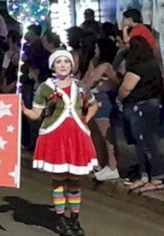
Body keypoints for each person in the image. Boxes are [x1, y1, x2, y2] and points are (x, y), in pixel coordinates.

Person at [22, 50, 98, 236]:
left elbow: (94, 104)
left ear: (72, 65)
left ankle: (74, 219)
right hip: (55, 136)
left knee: (74, 180)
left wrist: (84, 120)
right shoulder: (45, 88)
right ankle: (61, 219)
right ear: (52, 66)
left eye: (66, 61)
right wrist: (22, 108)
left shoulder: (81, 87)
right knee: (58, 180)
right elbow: (36, 114)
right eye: (59, 62)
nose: (63, 65)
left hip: (76, 137)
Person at [119, 36, 164, 194]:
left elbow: (126, 89)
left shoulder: (138, 68)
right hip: (153, 105)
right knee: (147, 143)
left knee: (146, 143)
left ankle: (155, 178)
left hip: (140, 106)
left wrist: (119, 98)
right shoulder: (154, 65)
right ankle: (146, 176)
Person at [82, 38, 121, 182]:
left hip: (103, 102)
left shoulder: (105, 65)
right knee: (97, 135)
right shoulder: (98, 64)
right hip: (95, 101)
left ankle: (112, 167)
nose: (95, 51)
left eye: (97, 48)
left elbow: (90, 81)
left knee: (106, 137)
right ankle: (102, 163)